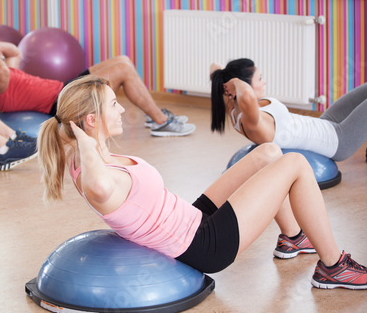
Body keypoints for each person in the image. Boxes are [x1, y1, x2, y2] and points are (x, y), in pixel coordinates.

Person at [37, 74, 367, 290]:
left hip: (192, 218)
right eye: (113, 104)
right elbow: (98, 187)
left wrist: (86, 137)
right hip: (204, 245)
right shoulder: (95, 175)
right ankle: (333, 266)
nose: (122, 109)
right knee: (294, 163)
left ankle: (294, 237)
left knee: (267, 152)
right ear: (91, 120)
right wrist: (83, 139)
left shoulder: (91, 155)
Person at [0, 32, 195, 137]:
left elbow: (13, 51)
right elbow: (0, 69)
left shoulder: (6, 69)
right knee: (124, 71)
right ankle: (161, 122)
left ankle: (152, 114)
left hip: (65, 87)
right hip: (63, 100)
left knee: (123, 60)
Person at [210, 58, 367, 162]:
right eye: (259, 79)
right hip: (339, 140)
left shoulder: (232, 107)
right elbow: (247, 96)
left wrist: (228, 78)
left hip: (326, 123)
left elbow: (214, 67)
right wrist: (236, 81)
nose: (264, 82)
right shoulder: (251, 121)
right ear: (243, 87)